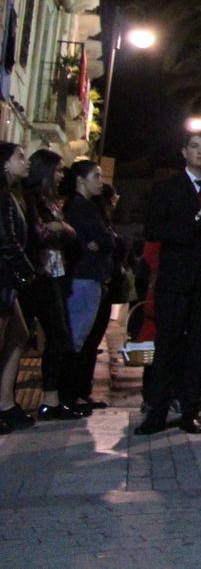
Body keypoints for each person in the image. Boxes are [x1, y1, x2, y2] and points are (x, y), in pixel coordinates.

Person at [136, 133, 201, 436]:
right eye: (195, 147)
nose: (200, 152)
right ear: (184, 152)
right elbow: (153, 228)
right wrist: (193, 227)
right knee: (167, 346)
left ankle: (190, 411)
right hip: (175, 281)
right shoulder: (167, 188)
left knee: (199, 348)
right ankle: (156, 412)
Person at [25, 149, 85, 420]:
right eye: (59, 170)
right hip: (40, 275)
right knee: (52, 335)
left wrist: (62, 229)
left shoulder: (51, 203)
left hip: (56, 274)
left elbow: (69, 233)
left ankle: (52, 398)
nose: (62, 175)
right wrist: (59, 230)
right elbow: (40, 235)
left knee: (57, 335)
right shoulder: (32, 200)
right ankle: (49, 399)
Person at [62, 160, 117, 411]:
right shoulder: (80, 207)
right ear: (80, 180)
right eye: (96, 176)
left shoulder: (88, 207)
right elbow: (106, 239)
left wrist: (104, 240)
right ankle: (68, 396)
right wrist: (102, 241)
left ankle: (75, 393)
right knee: (77, 339)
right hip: (84, 278)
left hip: (90, 278)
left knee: (83, 339)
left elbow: (107, 240)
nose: (101, 181)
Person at [0, 143, 37, 434]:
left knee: (19, 335)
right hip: (3, 279)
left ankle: (6, 404)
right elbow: (6, 242)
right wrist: (27, 271)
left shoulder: (12, 195)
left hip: (7, 280)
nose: (26, 162)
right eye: (20, 157)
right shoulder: (3, 196)